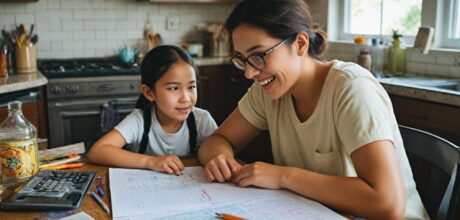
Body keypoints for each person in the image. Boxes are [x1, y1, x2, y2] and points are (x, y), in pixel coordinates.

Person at [197, 0, 428, 219]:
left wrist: (284, 176)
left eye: (258, 56)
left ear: (300, 44)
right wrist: (220, 158)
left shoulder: (351, 89)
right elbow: (217, 141)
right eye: (242, 59)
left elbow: (388, 205)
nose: (249, 73)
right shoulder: (268, 89)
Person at [88, 45, 217, 175]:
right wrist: (150, 162)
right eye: (173, 88)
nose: (186, 98)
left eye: (191, 87)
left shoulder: (202, 120)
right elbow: (97, 151)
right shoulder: (139, 120)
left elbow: (218, 152)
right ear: (149, 93)